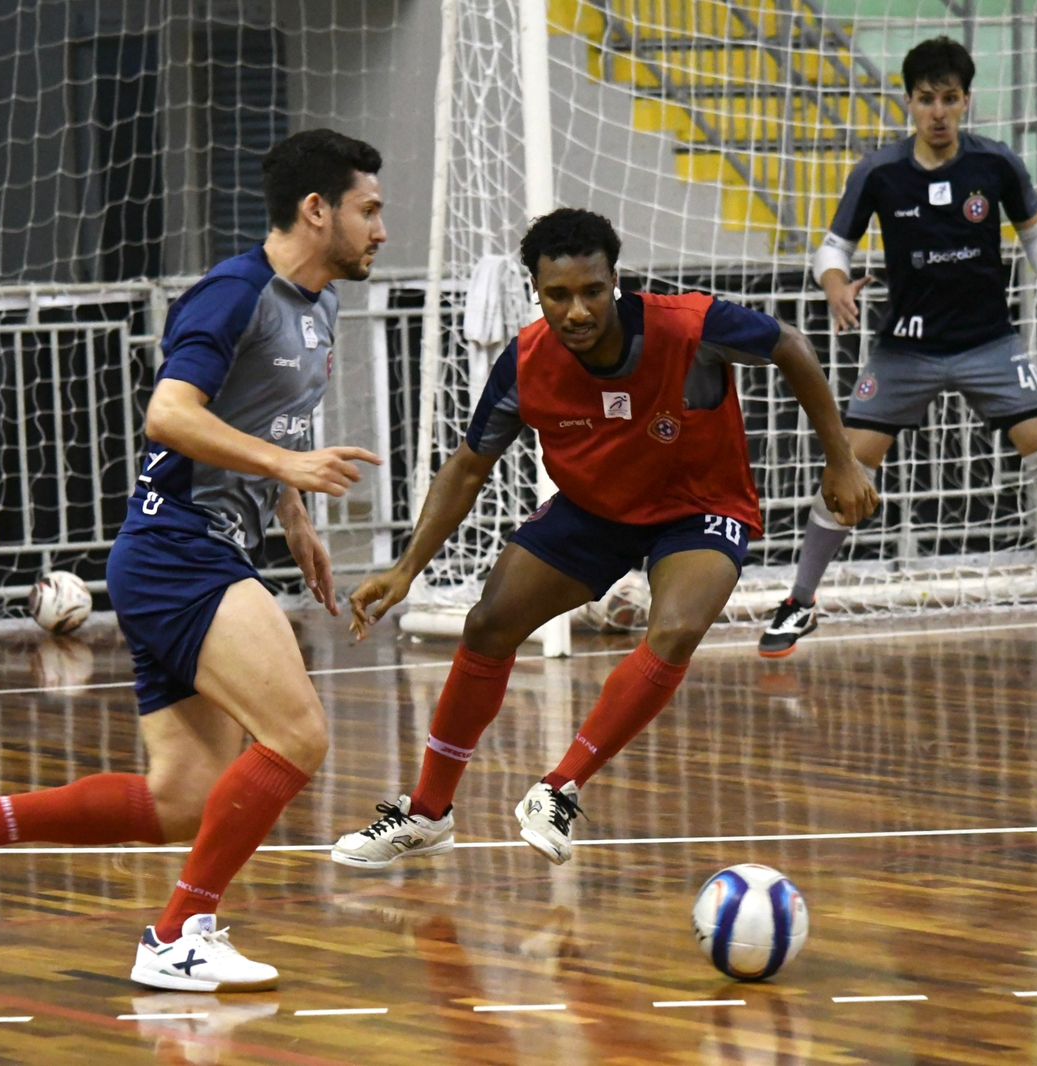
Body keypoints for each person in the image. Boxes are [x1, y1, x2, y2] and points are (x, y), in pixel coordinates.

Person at [0, 128, 387, 992]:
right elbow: (169, 414)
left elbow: (269, 424)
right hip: (178, 551)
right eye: (369, 210)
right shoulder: (232, 294)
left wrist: (296, 518)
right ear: (319, 211)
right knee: (299, 735)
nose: (382, 230)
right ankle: (177, 935)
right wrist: (285, 469)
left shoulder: (321, 307)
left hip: (197, 552)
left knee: (183, 799)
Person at [329, 207, 878, 870]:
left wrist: (840, 458)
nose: (578, 311)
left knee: (674, 630)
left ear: (615, 281)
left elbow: (789, 343)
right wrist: (408, 567)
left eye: (593, 291)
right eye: (558, 296)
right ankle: (427, 812)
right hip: (594, 510)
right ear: (537, 293)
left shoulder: (689, 329)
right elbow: (469, 465)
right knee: (488, 624)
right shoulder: (526, 362)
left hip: (697, 507)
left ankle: (558, 788)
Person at [758, 36, 1037, 659]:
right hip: (905, 350)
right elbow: (831, 249)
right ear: (910, 102)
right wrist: (836, 286)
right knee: (849, 466)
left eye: (951, 99)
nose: (939, 112)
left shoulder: (996, 164)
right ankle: (801, 600)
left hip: (988, 342)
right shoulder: (879, 172)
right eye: (927, 100)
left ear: (966, 101)